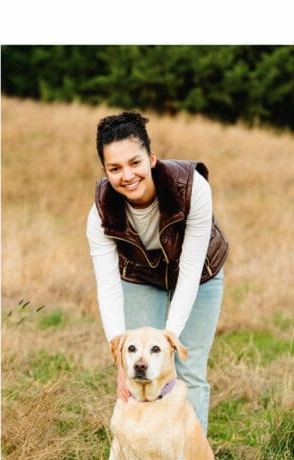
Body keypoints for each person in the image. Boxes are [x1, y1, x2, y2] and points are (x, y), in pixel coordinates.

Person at [86, 111, 229, 436]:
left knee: (188, 370)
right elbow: (108, 288)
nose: (127, 175)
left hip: (200, 275)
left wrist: (168, 340)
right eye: (115, 168)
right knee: (136, 370)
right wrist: (119, 355)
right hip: (141, 278)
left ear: (151, 159)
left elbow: (190, 270)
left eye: (134, 163)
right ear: (106, 171)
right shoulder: (100, 213)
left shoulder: (193, 189)